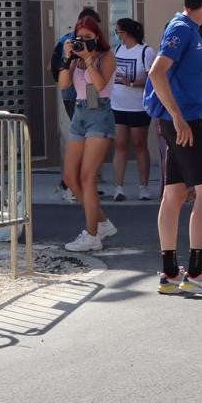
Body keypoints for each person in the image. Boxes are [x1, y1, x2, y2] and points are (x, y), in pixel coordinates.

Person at [144, 0, 202, 297]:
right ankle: (196, 271)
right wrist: (179, 118)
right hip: (186, 123)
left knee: (175, 194)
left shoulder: (187, 28)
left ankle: (169, 272)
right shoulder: (182, 28)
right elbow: (157, 72)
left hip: (181, 121)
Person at [58, 16, 118, 252]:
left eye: (88, 37)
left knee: (87, 177)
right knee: (70, 177)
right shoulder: (76, 58)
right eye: (79, 37)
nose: (82, 41)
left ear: (97, 37)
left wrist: (89, 59)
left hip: (100, 114)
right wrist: (67, 59)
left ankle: (92, 235)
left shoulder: (106, 56)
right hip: (80, 113)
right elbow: (64, 85)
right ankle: (101, 222)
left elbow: (101, 85)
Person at [49, 7, 102, 200]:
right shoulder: (67, 42)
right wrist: (69, 58)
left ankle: (84, 184)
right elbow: (56, 69)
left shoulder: (97, 44)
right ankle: (70, 184)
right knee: (82, 142)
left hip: (92, 94)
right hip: (73, 96)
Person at [112, 18, 155, 202]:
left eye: (118, 32)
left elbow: (152, 78)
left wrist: (132, 83)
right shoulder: (117, 50)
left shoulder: (146, 51)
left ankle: (143, 187)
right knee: (120, 144)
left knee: (139, 144)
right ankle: (118, 187)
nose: (117, 35)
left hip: (138, 106)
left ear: (126, 32)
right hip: (117, 104)